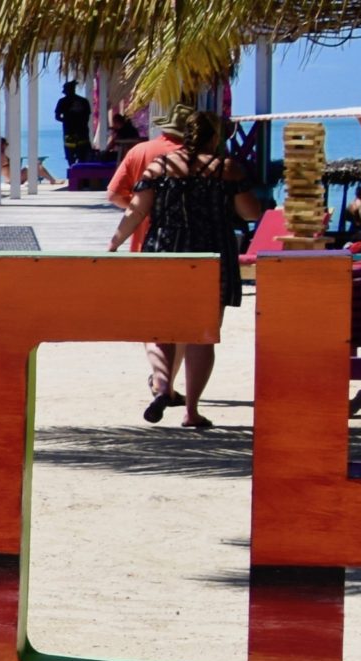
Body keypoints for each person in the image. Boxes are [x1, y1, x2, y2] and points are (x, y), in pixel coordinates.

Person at [107, 109, 265, 430]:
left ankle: (163, 387)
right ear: (214, 137)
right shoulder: (227, 169)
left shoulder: (160, 167)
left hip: (165, 253)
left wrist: (113, 245)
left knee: (161, 327)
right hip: (210, 255)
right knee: (201, 335)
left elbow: (135, 213)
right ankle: (191, 411)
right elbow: (250, 213)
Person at [105, 105, 191, 251]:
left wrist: (142, 208)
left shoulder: (139, 150)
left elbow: (114, 195)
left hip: (143, 238)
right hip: (188, 239)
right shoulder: (194, 157)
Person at [54, 80, 93, 165]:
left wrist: (67, 121)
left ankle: (74, 176)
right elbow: (88, 116)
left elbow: (57, 117)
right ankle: (82, 176)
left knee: (71, 158)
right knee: (83, 157)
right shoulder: (84, 101)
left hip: (69, 133)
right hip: (83, 133)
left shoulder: (62, 101)